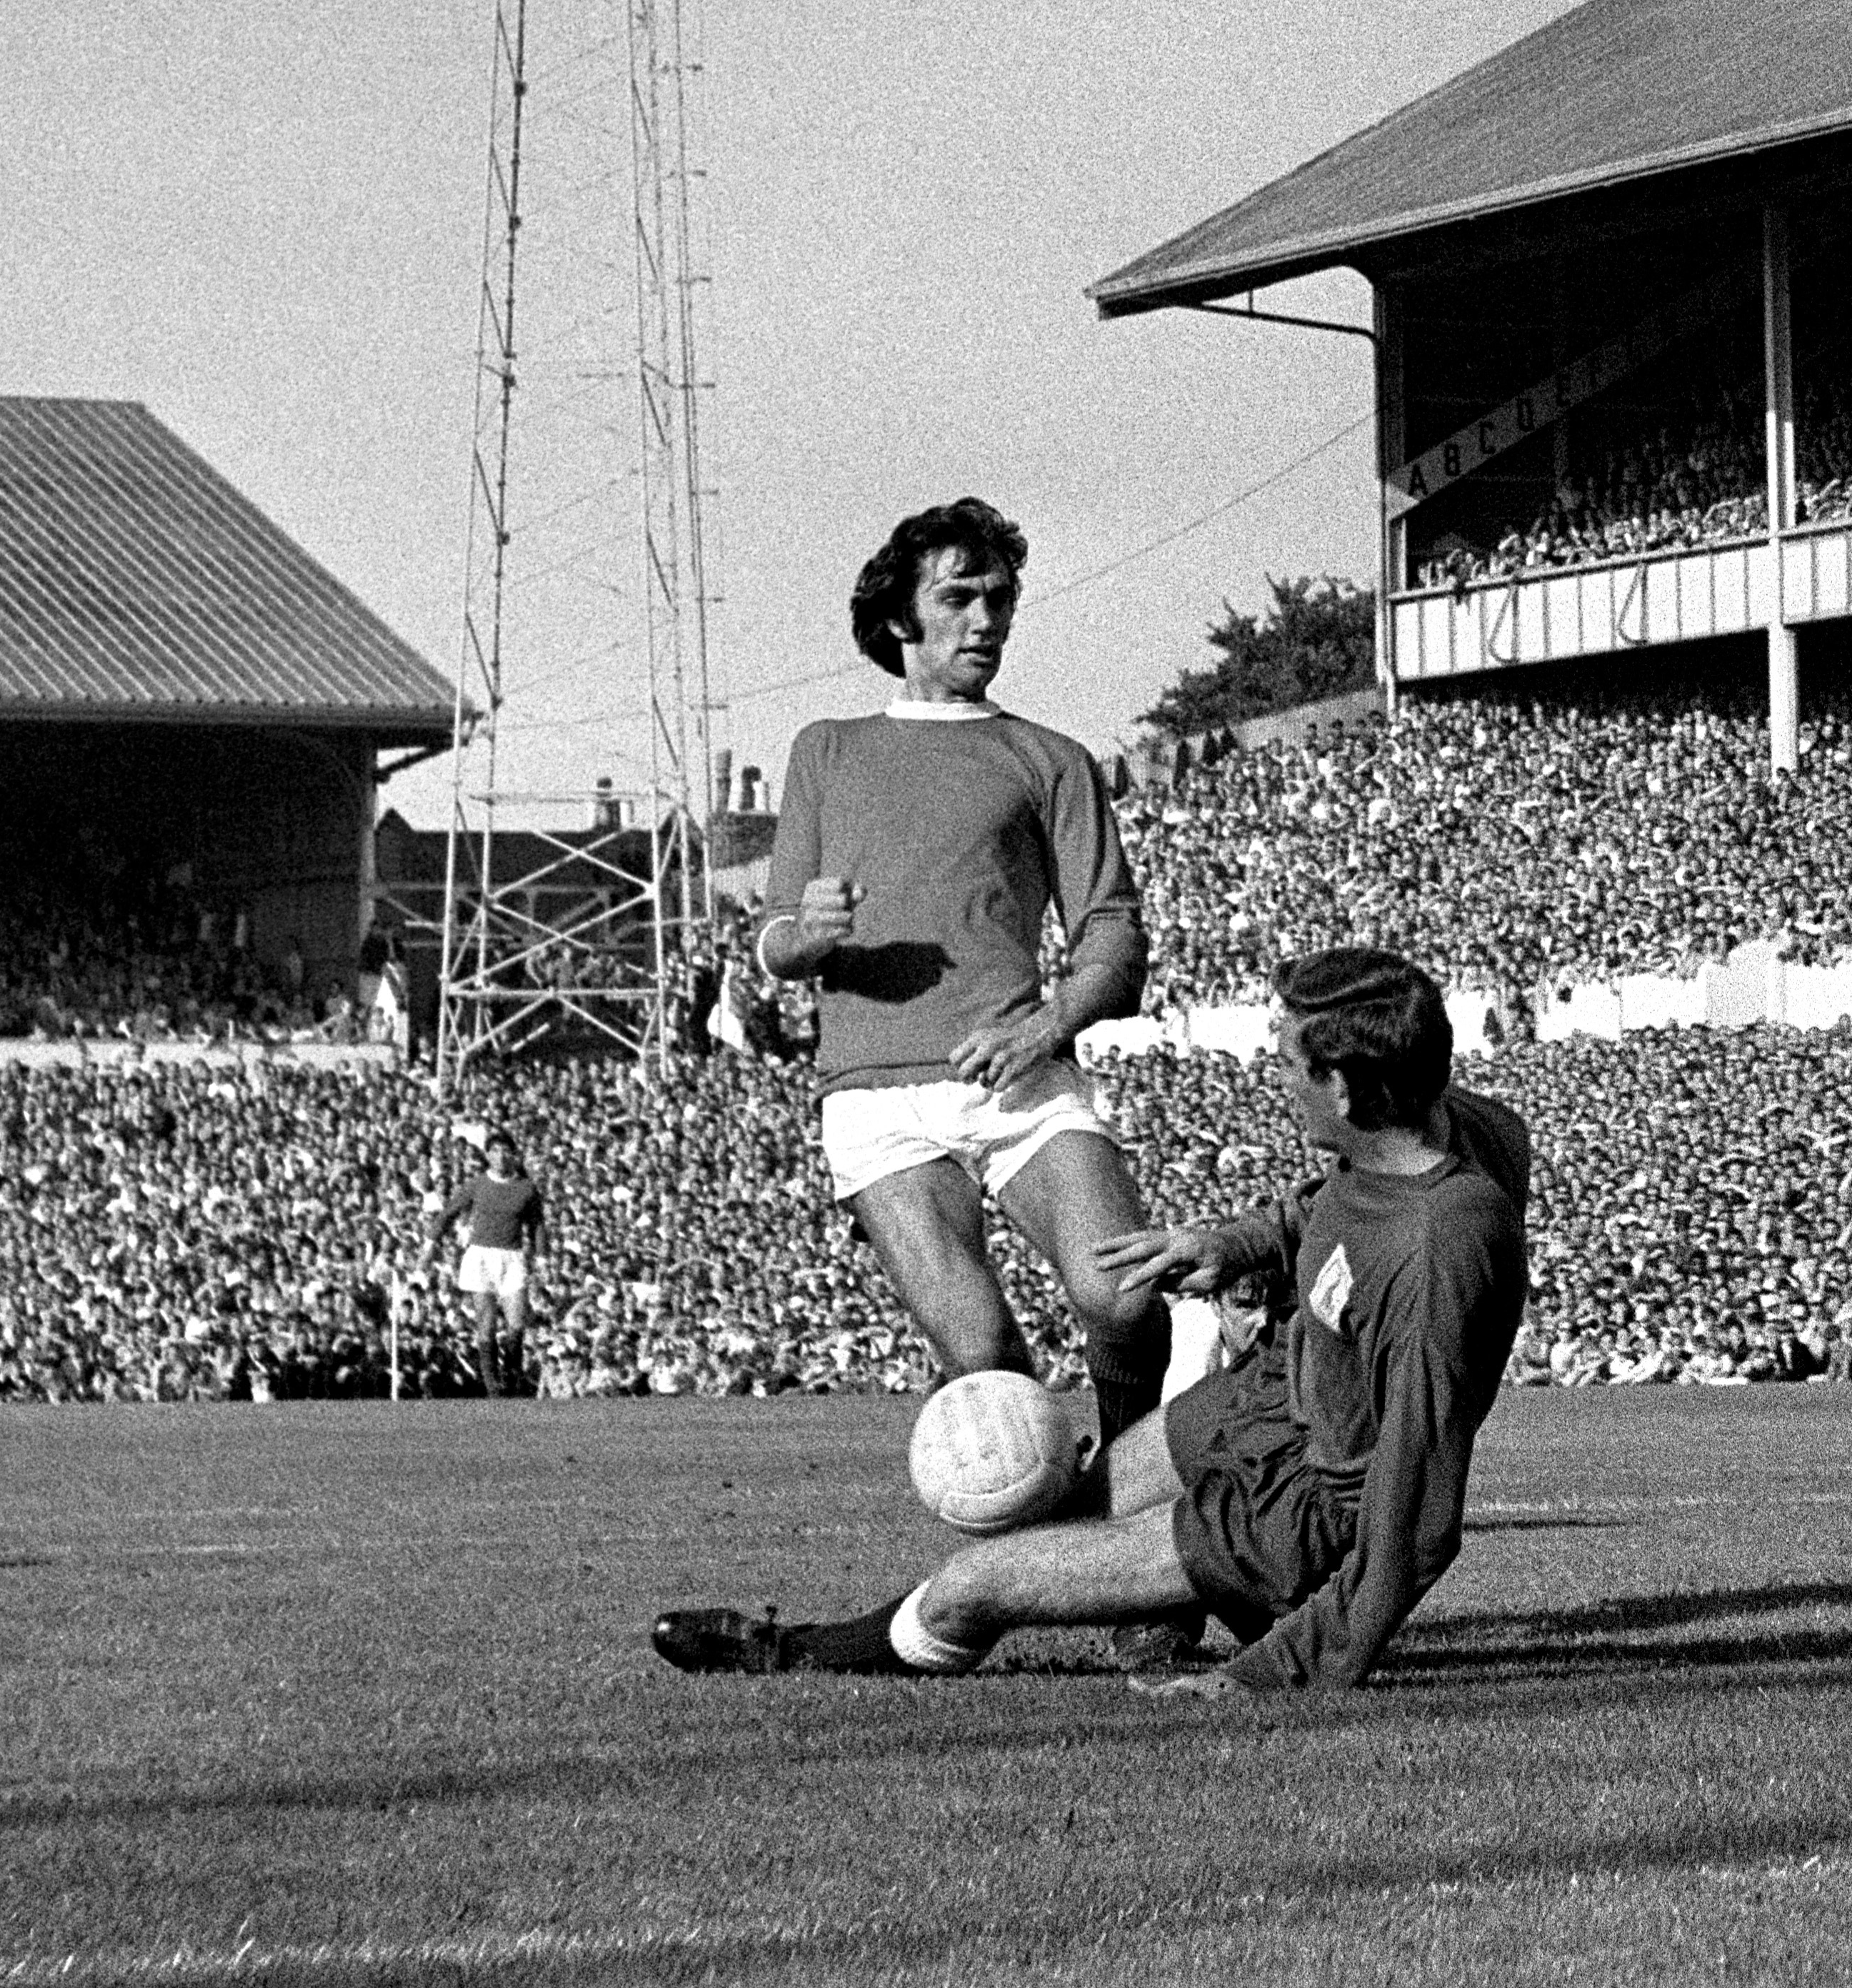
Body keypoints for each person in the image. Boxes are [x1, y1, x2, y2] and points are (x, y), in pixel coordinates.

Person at [651, 947, 1531, 1694]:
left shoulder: (1435, 1263)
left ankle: (788, 1651)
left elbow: (1413, 1527)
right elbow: (1338, 1211)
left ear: (1342, 1090)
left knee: (971, 1589)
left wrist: (1267, 1675)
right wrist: (1233, 1242)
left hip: (1300, 1510)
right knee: (1064, 1508)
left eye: (1289, 1063)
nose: (1274, 1076)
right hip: (1267, 1402)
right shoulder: (1452, 1127)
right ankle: (1182, 1593)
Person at [755, 497, 1171, 1454]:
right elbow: (774, 939)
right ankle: (1055, 1543)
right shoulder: (827, 749)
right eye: (961, 598)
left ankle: (1140, 1489)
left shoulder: (1051, 759)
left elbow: (1112, 931)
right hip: (875, 1100)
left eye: (1000, 599)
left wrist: (1047, 1025)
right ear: (901, 619)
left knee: (1120, 1291)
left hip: (1022, 1079)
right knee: (982, 1350)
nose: (988, 618)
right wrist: (803, 938)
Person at [420, 1128, 544, 1397]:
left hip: (512, 1257)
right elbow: (448, 1213)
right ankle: (493, 1387)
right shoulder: (477, 1184)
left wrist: (542, 1258)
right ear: (488, 1155)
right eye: (495, 1151)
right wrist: (430, 1247)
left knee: (517, 1322)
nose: (500, 1156)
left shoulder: (526, 1188)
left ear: (513, 1155)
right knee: (486, 1324)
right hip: (481, 1257)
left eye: (505, 1151)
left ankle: (512, 1376)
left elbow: (537, 1225)